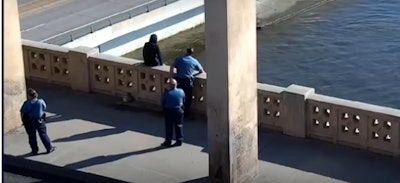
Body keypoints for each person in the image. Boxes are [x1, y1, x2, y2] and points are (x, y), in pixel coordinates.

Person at [20, 88, 55, 155]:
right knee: (43, 134)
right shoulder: (40, 101)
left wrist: (23, 120)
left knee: (32, 136)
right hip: (40, 120)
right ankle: (49, 148)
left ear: (29, 96)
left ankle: (34, 150)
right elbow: (44, 107)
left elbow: (22, 111)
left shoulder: (27, 103)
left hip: (29, 121)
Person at [170, 48, 204, 117]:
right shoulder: (194, 61)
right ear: (192, 53)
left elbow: (172, 66)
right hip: (188, 81)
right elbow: (201, 71)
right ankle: (186, 113)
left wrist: (171, 76)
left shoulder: (179, 59)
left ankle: (178, 111)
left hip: (179, 80)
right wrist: (193, 75)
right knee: (188, 98)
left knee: (179, 96)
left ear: (186, 52)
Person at [161, 79, 185, 147]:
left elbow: (163, 103)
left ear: (169, 85)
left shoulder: (167, 93)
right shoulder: (181, 91)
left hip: (169, 111)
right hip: (179, 111)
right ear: (176, 85)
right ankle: (179, 141)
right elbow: (183, 100)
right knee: (179, 126)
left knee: (169, 127)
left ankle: (168, 142)